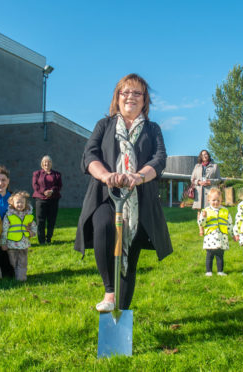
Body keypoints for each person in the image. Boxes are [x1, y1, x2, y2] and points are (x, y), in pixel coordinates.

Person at [74, 73, 173, 313]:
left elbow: (159, 159)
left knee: (130, 255)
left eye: (137, 93)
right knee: (103, 228)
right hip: (106, 195)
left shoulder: (152, 129)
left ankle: (122, 312)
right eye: (125, 92)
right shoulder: (104, 125)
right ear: (117, 97)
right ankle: (110, 291)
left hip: (139, 200)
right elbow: (90, 155)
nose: (131, 97)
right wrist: (106, 175)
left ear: (144, 99)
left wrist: (138, 177)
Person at [0, 191, 36, 282]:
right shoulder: (9, 215)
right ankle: (12, 276)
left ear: (25, 204)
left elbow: (34, 228)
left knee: (23, 262)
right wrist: (3, 242)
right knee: (12, 262)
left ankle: (21, 277)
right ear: (12, 203)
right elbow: (4, 230)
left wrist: (31, 232)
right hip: (11, 244)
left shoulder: (28, 216)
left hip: (24, 244)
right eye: (17, 202)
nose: (20, 204)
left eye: (22, 202)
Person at [197, 188, 232, 276]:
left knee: (220, 255)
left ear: (221, 200)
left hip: (222, 237)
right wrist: (203, 217)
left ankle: (220, 271)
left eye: (218, 200)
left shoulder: (225, 211)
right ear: (209, 200)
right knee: (210, 255)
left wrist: (233, 234)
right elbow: (201, 223)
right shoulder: (206, 211)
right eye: (213, 200)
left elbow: (229, 223)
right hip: (210, 237)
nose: (216, 202)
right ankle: (209, 271)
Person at [32, 155, 63, 245]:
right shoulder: (36, 173)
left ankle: (49, 238)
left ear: (51, 163)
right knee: (40, 220)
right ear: (42, 164)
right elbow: (35, 186)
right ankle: (41, 240)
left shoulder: (57, 174)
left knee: (51, 220)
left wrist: (52, 191)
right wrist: (44, 191)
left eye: (48, 162)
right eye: (45, 162)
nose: (47, 163)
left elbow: (59, 186)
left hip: (53, 199)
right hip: (40, 199)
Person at [191, 150, 221, 235]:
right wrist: (199, 182)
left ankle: (210, 228)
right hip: (199, 192)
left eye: (206, 154)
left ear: (208, 155)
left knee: (210, 211)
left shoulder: (215, 166)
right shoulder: (197, 166)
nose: (204, 156)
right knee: (200, 212)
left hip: (210, 192)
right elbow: (192, 179)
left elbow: (219, 179)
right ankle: (201, 230)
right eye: (203, 155)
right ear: (200, 157)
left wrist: (210, 182)